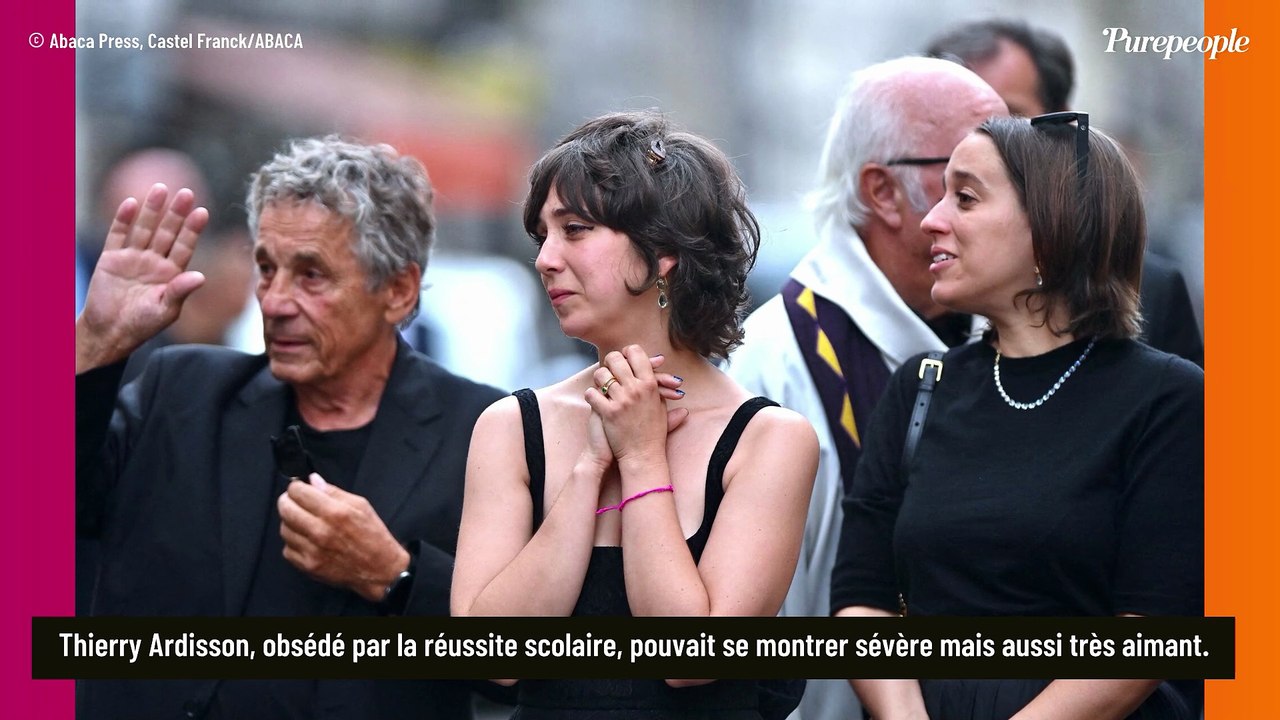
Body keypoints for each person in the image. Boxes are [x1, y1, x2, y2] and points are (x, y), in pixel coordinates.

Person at [75, 135, 504, 720]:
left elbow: (519, 662)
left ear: (398, 290)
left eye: (311, 276)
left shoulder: (483, 432)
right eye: (266, 268)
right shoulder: (180, 392)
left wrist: (396, 576)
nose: (274, 301)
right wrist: (93, 346)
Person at [831, 114, 1204, 719]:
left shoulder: (1167, 398)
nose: (932, 220)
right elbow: (861, 596)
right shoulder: (921, 387)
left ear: (1051, 227)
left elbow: (1152, 631)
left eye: (967, 198)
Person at [451, 111, 818, 719]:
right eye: (542, 234)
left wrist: (643, 458)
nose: (545, 258)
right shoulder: (512, 426)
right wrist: (592, 465)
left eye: (575, 230)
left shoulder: (768, 439)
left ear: (665, 250)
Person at [725, 57, 1007, 720]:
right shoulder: (771, 362)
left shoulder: (1016, 335)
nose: (1022, 189)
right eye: (969, 173)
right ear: (883, 192)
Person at [925, 19, 1204, 367]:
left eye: (1011, 118)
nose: (983, 139)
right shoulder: (917, 280)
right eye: (962, 121)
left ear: (1062, 126)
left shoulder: (1151, 292)